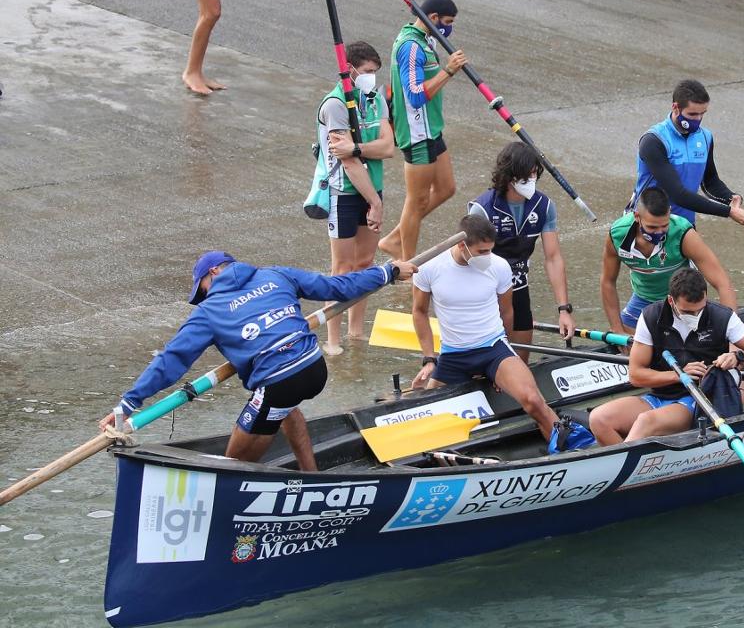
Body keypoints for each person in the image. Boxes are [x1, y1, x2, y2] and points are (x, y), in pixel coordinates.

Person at [99, 251, 416, 470]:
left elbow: (172, 361)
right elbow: (336, 286)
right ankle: (310, 475)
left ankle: (232, 493)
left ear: (213, 272)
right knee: (286, 408)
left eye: (202, 290)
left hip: (279, 380)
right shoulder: (276, 275)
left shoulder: (209, 312)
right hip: (313, 366)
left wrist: (127, 404)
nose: (203, 297)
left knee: (232, 461)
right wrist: (387, 272)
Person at [410, 215, 558, 440]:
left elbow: (507, 312)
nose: (488, 256)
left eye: (490, 250)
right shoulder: (430, 268)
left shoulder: (498, 266)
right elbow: (419, 312)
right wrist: (429, 359)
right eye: (482, 251)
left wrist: (506, 364)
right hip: (453, 357)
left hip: (493, 350)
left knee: (533, 400)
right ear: (461, 245)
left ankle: (567, 444)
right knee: (426, 424)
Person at [588, 267, 744, 446]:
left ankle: (629, 466)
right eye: (688, 312)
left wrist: (738, 357)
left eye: (700, 310)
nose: (695, 316)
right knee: (598, 419)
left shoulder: (722, 317)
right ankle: (639, 469)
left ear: (705, 297)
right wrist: (679, 375)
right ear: (671, 301)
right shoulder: (651, 317)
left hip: (700, 400)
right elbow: (635, 375)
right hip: (660, 395)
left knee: (645, 421)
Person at [317, 41, 395, 356]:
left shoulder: (375, 101)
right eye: (367, 72)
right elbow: (347, 163)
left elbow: (388, 147)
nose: (372, 77)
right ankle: (332, 339)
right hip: (343, 193)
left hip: (373, 188)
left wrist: (358, 147)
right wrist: (374, 203)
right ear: (350, 71)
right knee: (342, 268)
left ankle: (356, 332)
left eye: (375, 72)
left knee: (364, 265)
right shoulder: (334, 104)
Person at [378, 0, 469, 260]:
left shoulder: (426, 39)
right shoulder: (410, 47)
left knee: (446, 188)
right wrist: (449, 71)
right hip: (417, 132)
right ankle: (406, 260)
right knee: (415, 202)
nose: (449, 28)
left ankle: (396, 236)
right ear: (432, 18)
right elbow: (415, 96)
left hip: (432, 127)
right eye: (447, 22)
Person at [468, 142, 575, 350]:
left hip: (519, 290)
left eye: (534, 174)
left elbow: (553, 258)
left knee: (520, 361)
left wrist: (564, 310)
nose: (531, 181)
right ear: (508, 176)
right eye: (525, 176)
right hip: (487, 293)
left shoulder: (544, 206)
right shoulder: (482, 209)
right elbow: (468, 261)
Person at [602, 187, 738, 333]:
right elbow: (607, 282)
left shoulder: (683, 234)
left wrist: (731, 336)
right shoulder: (617, 234)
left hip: (683, 302)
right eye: (652, 227)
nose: (659, 233)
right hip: (643, 298)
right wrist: (617, 330)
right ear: (637, 216)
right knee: (624, 340)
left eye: (664, 226)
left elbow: (723, 284)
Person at [628, 79, 744, 227]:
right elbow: (678, 194)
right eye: (692, 114)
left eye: (702, 114)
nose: (698, 119)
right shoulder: (654, 141)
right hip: (648, 225)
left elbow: (710, 180)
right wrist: (728, 211)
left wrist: (730, 198)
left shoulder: (705, 137)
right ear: (675, 107)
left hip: (684, 226)